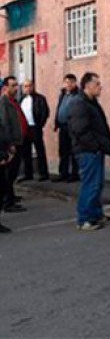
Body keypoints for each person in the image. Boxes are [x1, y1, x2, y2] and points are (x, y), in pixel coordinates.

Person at [68, 72, 110, 232]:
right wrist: (95, 146)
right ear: (88, 85)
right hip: (87, 151)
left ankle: (96, 214)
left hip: (94, 149)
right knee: (90, 185)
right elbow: (79, 130)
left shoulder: (91, 102)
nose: (100, 87)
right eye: (97, 84)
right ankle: (84, 219)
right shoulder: (80, 104)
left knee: (97, 184)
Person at [0, 76, 28, 213]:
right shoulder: (4, 103)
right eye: (13, 85)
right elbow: (5, 125)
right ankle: (8, 201)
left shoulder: (14, 101)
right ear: (5, 87)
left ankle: (10, 196)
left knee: (13, 172)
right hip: (12, 143)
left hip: (20, 141)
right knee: (9, 173)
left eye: (17, 85)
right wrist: (10, 144)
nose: (16, 88)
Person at [19, 79, 50, 182]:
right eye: (25, 86)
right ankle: (28, 173)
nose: (28, 88)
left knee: (39, 150)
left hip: (35, 127)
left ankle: (43, 173)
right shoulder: (21, 99)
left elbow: (45, 112)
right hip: (25, 128)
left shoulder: (39, 98)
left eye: (29, 86)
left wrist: (40, 124)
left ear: (33, 86)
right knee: (26, 151)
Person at [54, 74, 80, 182]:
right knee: (63, 151)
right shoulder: (63, 94)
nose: (68, 84)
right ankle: (63, 173)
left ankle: (74, 174)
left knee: (73, 151)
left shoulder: (78, 95)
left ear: (75, 83)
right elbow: (59, 108)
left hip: (73, 127)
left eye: (71, 82)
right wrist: (56, 122)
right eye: (66, 82)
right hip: (63, 126)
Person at [0, 78, 18, 233]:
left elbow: (3, 130)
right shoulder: (4, 104)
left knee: (3, 185)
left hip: (5, 151)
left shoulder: (12, 102)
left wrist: (9, 147)